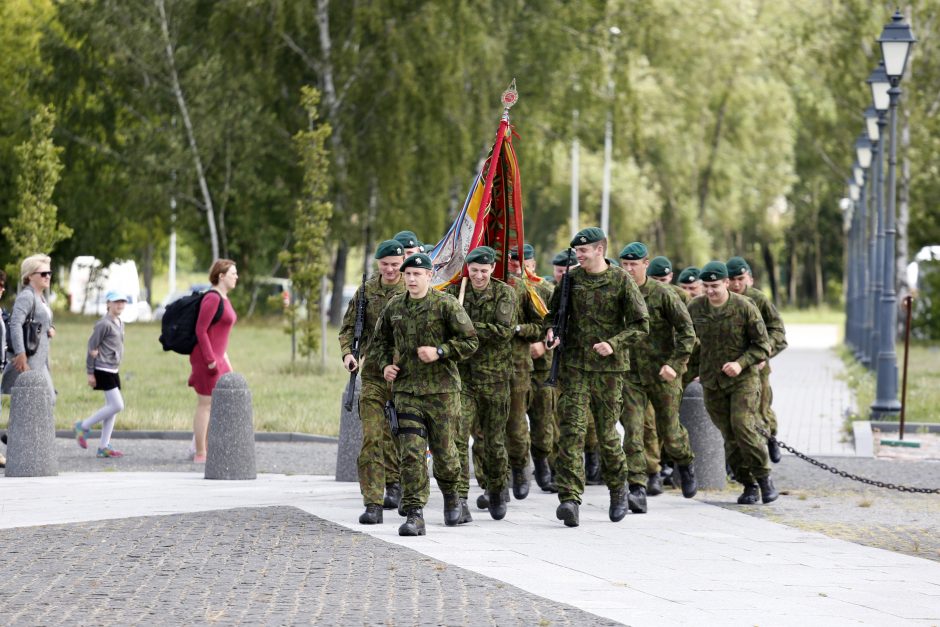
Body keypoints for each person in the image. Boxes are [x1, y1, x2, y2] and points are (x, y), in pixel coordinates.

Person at [544, 227, 649, 527]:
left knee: (606, 435)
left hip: (609, 371)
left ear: (600, 249)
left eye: (584, 250)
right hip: (574, 366)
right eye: (577, 250)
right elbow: (552, 316)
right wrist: (552, 333)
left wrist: (613, 343)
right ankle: (569, 499)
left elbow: (641, 324)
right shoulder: (571, 280)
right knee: (572, 432)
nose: (579, 254)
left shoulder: (620, 280)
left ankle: (619, 490)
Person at [371, 252, 479, 536]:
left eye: (417, 274)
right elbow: (379, 342)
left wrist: (441, 351)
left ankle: (453, 497)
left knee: (445, 453)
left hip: (442, 392)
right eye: (408, 274)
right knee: (411, 453)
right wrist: (385, 365)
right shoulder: (395, 307)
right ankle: (415, 512)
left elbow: (470, 341)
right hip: (407, 391)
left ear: (430, 276)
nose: (411, 279)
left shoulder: (446, 305)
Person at [687, 261, 776, 505]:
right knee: (729, 436)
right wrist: (689, 370)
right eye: (706, 286)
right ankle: (747, 484)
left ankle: (764, 478)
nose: (710, 291)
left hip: (743, 380)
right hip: (712, 382)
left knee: (743, 427)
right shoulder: (695, 308)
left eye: (715, 285)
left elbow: (762, 346)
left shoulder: (745, 307)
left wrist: (740, 363)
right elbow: (688, 342)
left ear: (726, 283)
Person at [619, 242, 697, 501]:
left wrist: (675, 365)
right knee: (633, 431)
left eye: (634, 264)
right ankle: (637, 487)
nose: (629, 269)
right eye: (625, 264)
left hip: (663, 374)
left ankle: (685, 463)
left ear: (645, 264)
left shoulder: (663, 294)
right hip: (630, 375)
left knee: (670, 433)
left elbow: (688, 333)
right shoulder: (618, 294)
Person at [444, 246, 516, 520]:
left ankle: (497, 489)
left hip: (495, 380)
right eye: (474, 271)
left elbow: (503, 332)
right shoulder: (455, 294)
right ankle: (459, 497)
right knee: (459, 438)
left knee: (494, 442)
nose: (478, 276)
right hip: (463, 378)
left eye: (484, 271)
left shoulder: (504, 293)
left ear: (492, 270)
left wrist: (466, 325)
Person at [339, 240, 407, 524]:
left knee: (401, 435)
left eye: (395, 264)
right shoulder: (366, 291)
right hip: (374, 374)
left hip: (407, 376)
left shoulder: (412, 287)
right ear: (377, 264)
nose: (390, 270)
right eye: (385, 265)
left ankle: (398, 484)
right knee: (372, 437)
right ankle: (373, 501)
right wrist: (348, 354)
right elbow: (348, 327)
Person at [726, 256, 788, 463]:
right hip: (728, 366)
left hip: (756, 366)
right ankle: (737, 461)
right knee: (733, 416)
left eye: (740, 279)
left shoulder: (758, 300)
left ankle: (770, 437)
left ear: (749, 279)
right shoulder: (720, 299)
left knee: (760, 409)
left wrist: (765, 352)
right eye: (732, 279)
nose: (736, 284)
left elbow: (778, 330)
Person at [503, 247, 545, 499]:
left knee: (516, 427)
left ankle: (520, 469)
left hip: (518, 368)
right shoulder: (481, 287)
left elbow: (541, 327)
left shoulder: (525, 290)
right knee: (486, 430)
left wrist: (518, 329)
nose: (514, 264)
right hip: (485, 371)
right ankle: (494, 483)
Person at [189, 259, 238, 463]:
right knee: (206, 404)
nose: (236, 277)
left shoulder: (224, 299)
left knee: (219, 403)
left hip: (219, 358)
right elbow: (201, 330)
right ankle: (200, 453)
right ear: (221, 276)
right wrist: (210, 361)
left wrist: (225, 360)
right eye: (233, 273)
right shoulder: (212, 298)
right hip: (206, 359)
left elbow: (219, 334)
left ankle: (204, 447)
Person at [74, 291, 129, 458]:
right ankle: (83, 426)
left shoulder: (120, 322)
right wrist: (90, 372)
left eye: (122, 302)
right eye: (116, 302)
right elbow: (91, 347)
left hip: (113, 369)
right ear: (108, 304)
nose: (119, 305)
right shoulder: (103, 324)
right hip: (102, 369)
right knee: (117, 405)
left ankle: (103, 447)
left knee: (111, 409)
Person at [524, 245, 559, 492]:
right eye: (513, 263)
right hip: (513, 367)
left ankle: (543, 461)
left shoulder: (547, 290)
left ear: (533, 265)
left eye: (524, 263)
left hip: (542, 369)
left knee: (543, 421)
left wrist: (545, 346)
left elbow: (557, 325)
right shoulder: (506, 290)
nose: (519, 268)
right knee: (510, 424)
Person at [2, 255, 57, 408]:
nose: (48, 277)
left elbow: (43, 321)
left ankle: (18, 432)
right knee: (40, 401)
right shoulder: (27, 296)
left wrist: (51, 328)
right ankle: (19, 432)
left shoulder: (41, 298)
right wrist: (20, 354)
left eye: (49, 273)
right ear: (30, 276)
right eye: (43, 273)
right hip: (29, 358)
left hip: (41, 360)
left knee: (44, 400)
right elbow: (15, 324)